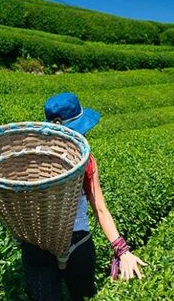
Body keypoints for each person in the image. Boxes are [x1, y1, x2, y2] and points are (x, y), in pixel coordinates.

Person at [21, 92, 147, 301]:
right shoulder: (85, 161)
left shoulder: (31, 160)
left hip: (36, 244)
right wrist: (122, 250)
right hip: (76, 243)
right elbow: (100, 208)